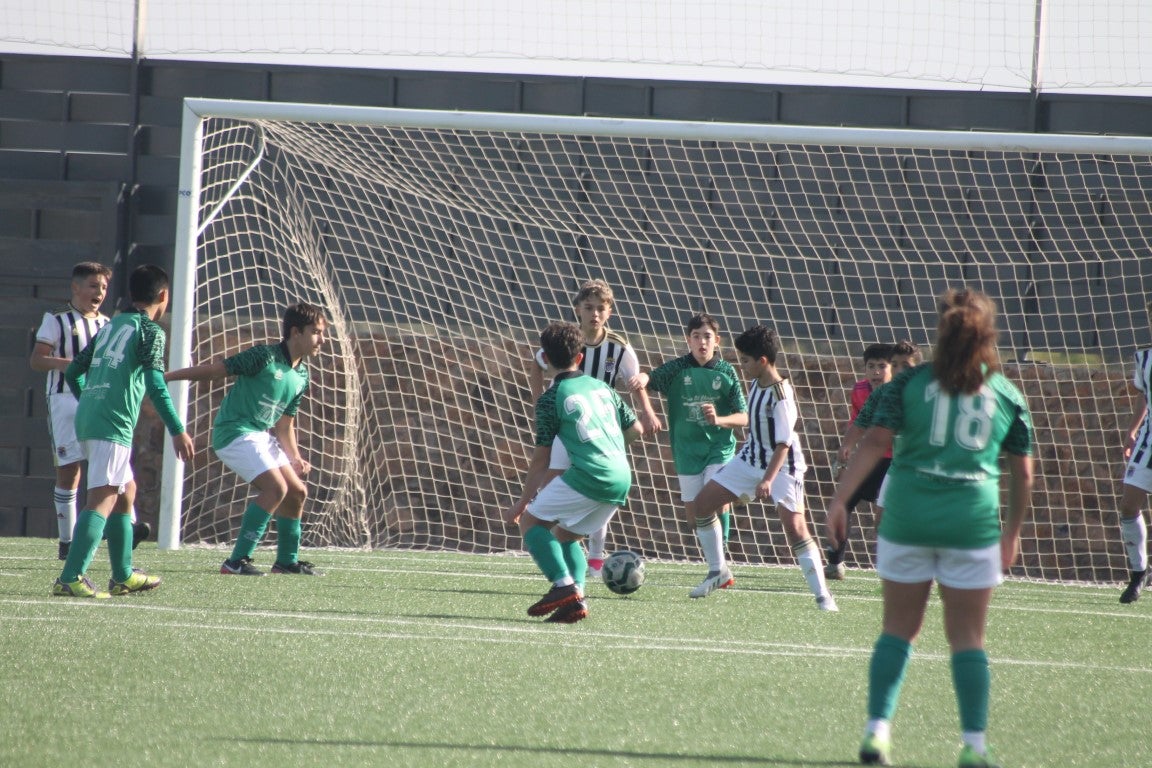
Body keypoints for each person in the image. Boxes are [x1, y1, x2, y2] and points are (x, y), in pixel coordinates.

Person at [827, 289, 1033, 768]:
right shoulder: (1004, 392)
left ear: (940, 332)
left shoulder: (909, 384)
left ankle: (877, 733)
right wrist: (1013, 531)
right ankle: (975, 748)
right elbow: (1022, 473)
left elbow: (874, 442)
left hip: (908, 519)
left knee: (897, 630)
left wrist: (840, 498)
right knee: (967, 639)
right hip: (972, 525)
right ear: (989, 334)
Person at [51, 264, 196, 599]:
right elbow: (156, 384)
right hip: (111, 423)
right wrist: (177, 430)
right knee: (103, 498)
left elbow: (74, 371)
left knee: (125, 492)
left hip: (89, 417)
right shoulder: (150, 331)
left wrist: (91, 398)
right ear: (164, 296)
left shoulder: (113, 323)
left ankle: (123, 575)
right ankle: (70, 577)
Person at [165, 302, 327, 576]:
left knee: (297, 492)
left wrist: (295, 457)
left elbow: (284, 424)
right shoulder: (264, 356)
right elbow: (216, 371)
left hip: (260, 435)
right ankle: (235, 561)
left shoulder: (301, 375)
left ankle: (286, 562)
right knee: (275, 489)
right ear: (296, 332)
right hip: (234, 432)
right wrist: (167, 377)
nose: (322, 339)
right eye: (316, 332)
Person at [685, 325, 837, 609]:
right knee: (703, 504)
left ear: (763, 361)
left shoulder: (781, 396)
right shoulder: (757, 383)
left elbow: (783, 444)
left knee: (795, 529)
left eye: (745, 360)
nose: (741, 366)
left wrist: (767, 480)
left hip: (782, 468)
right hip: (751, 459)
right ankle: (718, 571)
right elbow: (752, 423)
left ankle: (823, 595)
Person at [507, 321, 643, 623]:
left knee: (531, 523)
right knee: (565, 537)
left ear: (546, 358)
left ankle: (563, 586)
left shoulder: (550, 399)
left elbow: (540, 460)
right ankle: (575, 600)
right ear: (579, 357)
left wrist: (522, 502)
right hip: (621, 476)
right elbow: (636, 428)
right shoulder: (603, 387)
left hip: (589, 475)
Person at [528, 279, 656, 578]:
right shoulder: (567, 341)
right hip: (565, 425)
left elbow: (635, 381)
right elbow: (536, 364)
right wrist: (539, 402)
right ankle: (559, 545)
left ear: (609, 312)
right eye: (589, 308)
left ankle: (596, 557)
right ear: (578, 310)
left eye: (601, 309)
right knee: (555, 479)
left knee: (597, 488)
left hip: (602, 429)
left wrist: (647, 411)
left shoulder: (620, 348)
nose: (594, 314)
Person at [30, 262, 150, 560]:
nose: (100, 293)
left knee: (114, 468)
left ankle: (125, 525)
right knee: (70, 471)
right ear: (76, 287)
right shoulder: (56, 320)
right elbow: (37, 360)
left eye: (104, 287)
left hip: (97, 401)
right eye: (94, 286)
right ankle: (67, 542)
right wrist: (71, 365)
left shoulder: (108, 324)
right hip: (63, 399)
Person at [630, 313, 748, 569]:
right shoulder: (677, 368)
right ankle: (713, 557)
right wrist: (643, 378)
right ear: (688, 340)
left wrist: (719, 420)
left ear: (717, 341)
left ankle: (721, 554)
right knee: (694, 516)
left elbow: (744, 416)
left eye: (707, 337)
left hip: (718, 448)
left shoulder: (726, 372)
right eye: (696, 337)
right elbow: (650, 378)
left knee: (715, 496)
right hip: (686, 452)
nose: (702, 342)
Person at [827, 341, 923, 579]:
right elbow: (859, 422)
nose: (877, 372)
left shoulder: (926, 395)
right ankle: (835, 561)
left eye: (883, 366)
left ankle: (924, 566)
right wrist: (846, 447)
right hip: (884, 461)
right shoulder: (871, 393)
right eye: (872, 366)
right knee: (857, 507)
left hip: (917, 464)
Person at [1118, 299, 1152, 604]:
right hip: (1147, 443)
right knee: (1129, 504)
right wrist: (1132, 430)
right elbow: (1144, 396)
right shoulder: (1144, 359)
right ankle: (1139, 572)